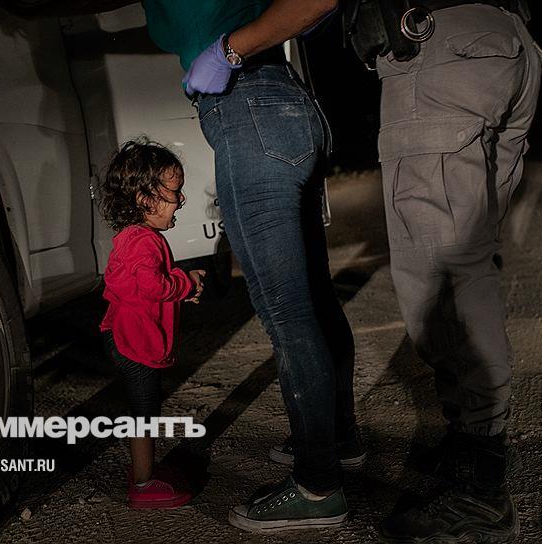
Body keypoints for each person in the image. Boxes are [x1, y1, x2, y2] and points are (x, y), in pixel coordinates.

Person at [141, 0, 364, 532]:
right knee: (312, 297)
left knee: (286, 312)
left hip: (247, 110)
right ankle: (336, 438)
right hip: (286, 104)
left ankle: (317, 485)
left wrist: (226, 52)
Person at [346, 0, 542, 541]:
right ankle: (469, 448)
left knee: (443, 275)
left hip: (441, 42)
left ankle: (481, 489)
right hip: (503, 38)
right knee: (468, 258)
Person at [98, 139, 206, 509]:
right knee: (144, 414)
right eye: (174, 192)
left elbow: (142, 287)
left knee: (142, 409)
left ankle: (144, 471)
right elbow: (153, 286)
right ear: (146, 199)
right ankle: (143, 484)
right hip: (135, 343)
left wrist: (181, 288)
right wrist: (185, 283)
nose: (181, 200)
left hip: (124, 337)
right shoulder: (143, 241)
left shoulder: (134, 237)